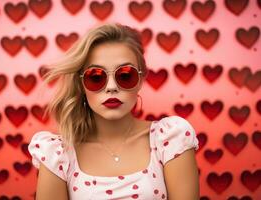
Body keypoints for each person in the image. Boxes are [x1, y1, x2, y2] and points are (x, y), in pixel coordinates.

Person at [28, 22, 200, 200]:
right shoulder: (57, 154)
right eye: (96, 76)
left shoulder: (170, 140)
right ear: (81, 84)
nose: (111, 87)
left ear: (140, 80)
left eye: (125, 75)